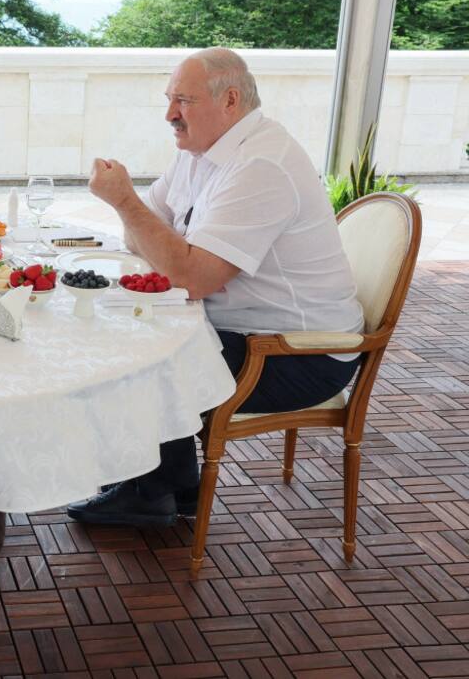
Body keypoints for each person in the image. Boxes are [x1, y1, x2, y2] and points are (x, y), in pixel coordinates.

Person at [67, 47, 364, 527]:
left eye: (182, 101)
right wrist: (142, 221)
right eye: (169, 100)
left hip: (301, 355)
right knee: (130, 332)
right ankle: (173, 484)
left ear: (230, 101)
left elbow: (192, 278)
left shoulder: (261, 165)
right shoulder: (202, 150)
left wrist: (126, 202)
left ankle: (154, 491)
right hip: (243, 329)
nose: (169, 115)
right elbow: (148, 238)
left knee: (138, 355)